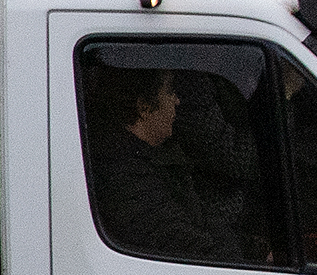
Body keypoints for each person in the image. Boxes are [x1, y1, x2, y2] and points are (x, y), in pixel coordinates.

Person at [84, 63, 264, 263]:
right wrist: (249, 257)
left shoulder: (157, 160)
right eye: (169, 92)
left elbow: (205, 220)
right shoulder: (127, 179)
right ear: (144, 107)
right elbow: (195, 249)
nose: (177, 101)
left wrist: (259, 251)